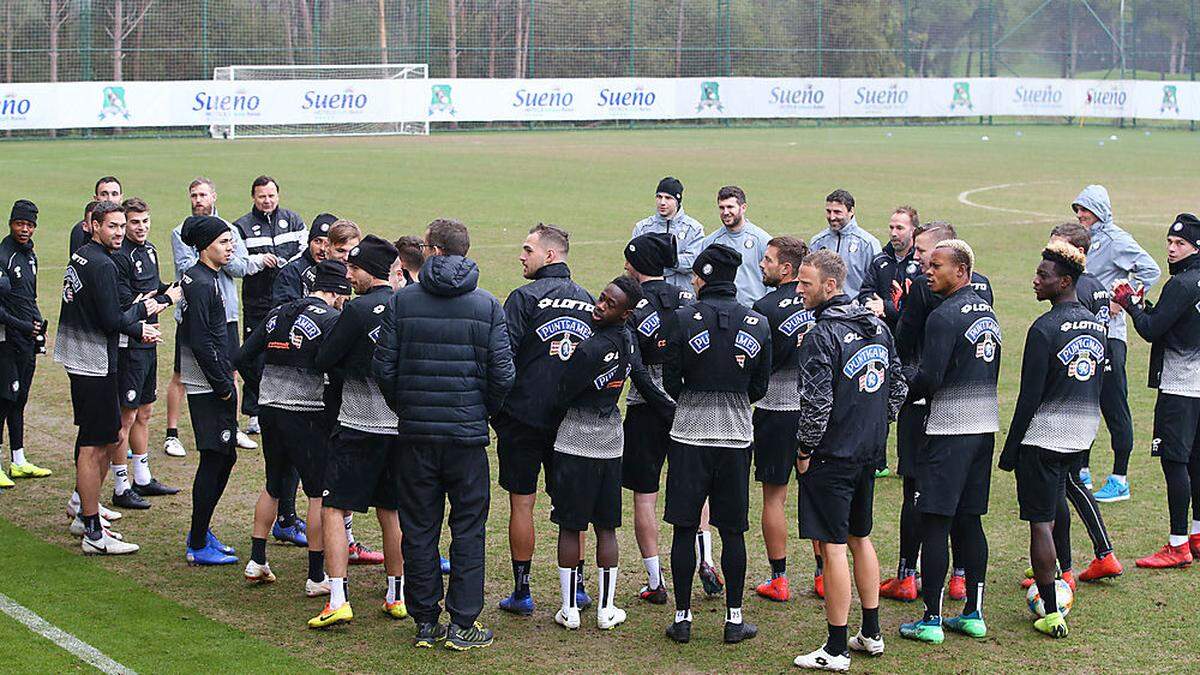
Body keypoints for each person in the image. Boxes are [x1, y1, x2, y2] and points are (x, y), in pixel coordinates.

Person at [373, 218, 515, 650]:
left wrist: (409, 408)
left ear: (432, 250)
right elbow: (503, 375)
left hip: (416, 436)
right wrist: (479, 411)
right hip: (466, 438)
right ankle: (463, 623)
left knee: (419, 528)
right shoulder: (488, 305)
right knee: (468, 529)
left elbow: (384, 369)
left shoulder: (402, 302)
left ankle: (425, 621)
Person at [792, 249, 906, 671]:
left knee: (835, 547)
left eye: (805, 283)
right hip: (867, 453)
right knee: (861, 538)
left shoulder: (822, 334)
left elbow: (817, 403)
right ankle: (871, 632)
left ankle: (836, 648)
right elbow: (896, 385)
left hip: (832, 456)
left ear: (830, 286)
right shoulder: (876, 324)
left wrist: (804, 449)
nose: (798, 289)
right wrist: (877, 426)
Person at [661, 244, 771, 645]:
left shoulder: (680, 319)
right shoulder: (757, 322)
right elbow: (760, 385)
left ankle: (683, 617)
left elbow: (671, 380)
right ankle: (733, 619)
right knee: (733, 530)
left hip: (689, 434)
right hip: (737, 436)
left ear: (705, 276)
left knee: (684, 526)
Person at [998, 241, 1105, 639]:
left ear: (1064, 282)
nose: (1035, 280)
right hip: (1080, 434)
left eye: (1043, 276)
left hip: (1043, 438)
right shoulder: (1096, 322)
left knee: (1039, 523)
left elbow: (1029, 397)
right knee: (1057, 502)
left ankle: (1050, 608)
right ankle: (1064, 573)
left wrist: (1011, 450)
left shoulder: (1043, 329)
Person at [881, 221, 993, 603]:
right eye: (919, 258)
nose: (921, 266)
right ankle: (962, 583)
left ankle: (911, 581)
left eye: (928, 259)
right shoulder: (985, 293)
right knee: (966, 510)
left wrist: (893, 395)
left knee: (924, 500)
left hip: (933, 411)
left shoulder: (934, 302)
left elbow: (907, 347)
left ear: (957, 265)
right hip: (978, 419)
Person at [899, 239, 1000, 645]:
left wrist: (901, 388)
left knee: (935, 520)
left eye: (936, 265)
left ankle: (932, 619)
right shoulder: (987, 312)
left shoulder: (943, 316)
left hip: (948, 429)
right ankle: (973, 614)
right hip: (983, 429)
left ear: (961, 272)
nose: (927, 270)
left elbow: (930, 376)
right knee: (970, 519)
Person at [494, 223, 596, 616]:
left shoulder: (522, 298)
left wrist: (500, 410)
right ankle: (579, 587)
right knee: (572, 507)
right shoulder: (589, 300)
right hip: (571, 422)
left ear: (549, 255)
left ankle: (522, 591)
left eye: (527, 249)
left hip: (523, 419)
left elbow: (502, 360)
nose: (521, 255)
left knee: (522, 504)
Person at [55, 201, 165, 555]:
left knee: (102, 437)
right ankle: (91, 531)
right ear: (94, 225)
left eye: (122, 226)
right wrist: (148, 310)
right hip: (94, 361)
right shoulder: (102, 264)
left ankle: (84, 514)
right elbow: (112, 319)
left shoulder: (83, 256)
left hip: (81, 357)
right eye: (113, 226)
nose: (119, 232)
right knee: (95, 444)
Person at [236, 260, 351, 594]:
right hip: (308, 414)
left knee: (274, 483)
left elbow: (242, 356)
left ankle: (257, 560)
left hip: (270, 410)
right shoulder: (331, 319)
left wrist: (264, 387)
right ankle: (317, 577)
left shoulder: (277, 313)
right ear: (334, 292)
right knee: (317, 493)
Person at [309, 235, 404, 630]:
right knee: (392, 510)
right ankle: (397, 596)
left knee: (333, 507)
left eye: (354, 268)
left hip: (357, 425)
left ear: (371, 272)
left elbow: (324, 358)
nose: (348, 274)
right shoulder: (408, 306)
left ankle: (337, 599)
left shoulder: (357, 310)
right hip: (399, 428)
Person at [549, 276, 643, 632]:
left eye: (608, 303)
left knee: (571, 527)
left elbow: (561, 394)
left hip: (576, 442)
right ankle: (606, 610)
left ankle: (569, 609)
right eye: (601, 298)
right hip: (610, 443)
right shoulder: (627, 342)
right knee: (607, 527)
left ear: (625, 313)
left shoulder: (588, 350)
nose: (598, 305)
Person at [1114, 213, 1200, 569]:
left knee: (1175, 461)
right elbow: (1169, 322)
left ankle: (1178, 544)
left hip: (1180, 386)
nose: (1171, 248)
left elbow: (1151, 329)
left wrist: (1131, 304)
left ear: (1195, 248)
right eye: (1169, 242)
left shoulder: (1181, 285)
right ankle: (1196, 534)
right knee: (1197, 461)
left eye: (1180, 244)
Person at [1041, 222, 1124, 584]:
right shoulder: (1098, 288)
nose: (1048, 255)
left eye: (1056, 248)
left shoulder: (1080, 290)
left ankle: (1077, 563)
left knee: (1067, 483)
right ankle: (1085, 558)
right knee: (1070, 481)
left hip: (1071, 401)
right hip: (1086, 395)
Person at [1072, 185, 1160, 502]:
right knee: (1083, 402)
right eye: (1078, 209)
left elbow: (1151, 269)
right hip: (1083, 335)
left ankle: (1119, 478)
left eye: (1086, 209)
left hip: (1110, 337)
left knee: (1114, 405)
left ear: (1100, 210)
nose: (1080, 214)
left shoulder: (1116, 240)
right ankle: (1080, 470)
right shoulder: (1085, 240)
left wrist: (1126, 299)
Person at [165, 178, 261, 459]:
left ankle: (232, 426)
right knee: (182, 375)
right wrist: (213, 255)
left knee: (231, 369)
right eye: (193, 195)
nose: (198, 199)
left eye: (203, 194)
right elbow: (185, 267)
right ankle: (172, 434)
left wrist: (221, 252)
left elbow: (241, 266)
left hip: (227, 312)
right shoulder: (179, 232)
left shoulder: (229, 229)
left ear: (214, 196)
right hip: (193, 311)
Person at [621, 233, 691, 604]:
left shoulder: (631, 301)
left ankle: (654, 581)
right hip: (685, 402)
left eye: (628, 262)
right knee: (696, 486)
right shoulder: (686, 297)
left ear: (637, 266)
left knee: (644, 496)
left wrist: (660, 401)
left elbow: (634, 364)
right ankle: (707, 561)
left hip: (647, 406)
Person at [750, 236, 814, 603]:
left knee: (774, 496)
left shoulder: (764, 308)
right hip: (815, 411)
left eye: (768, 260)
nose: (762, 265)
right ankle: (822, 576)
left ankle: (780, 578)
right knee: (816, 493)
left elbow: (761, 366)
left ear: (786, 268)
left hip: (776, 411)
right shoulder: (817, 302)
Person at [178, 215, 241, 566]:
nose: (229, 247)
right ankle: (198, 541)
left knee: (225, 455)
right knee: (215, 456)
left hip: (211, 380)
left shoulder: (206, 277)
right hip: (209, 384)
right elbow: (202, 341)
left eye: (230, 241)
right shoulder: (202, 283)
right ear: (204, 247)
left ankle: (200, 532)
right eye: (222, 242)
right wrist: (223, 386)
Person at [110, 197, 182, 510]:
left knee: (145, 412)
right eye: (134, 222)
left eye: (144, 221)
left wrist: (172, 287)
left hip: (150, 342)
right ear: (125, 224)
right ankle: (119, 484)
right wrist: (166, 298)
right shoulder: (120, 257)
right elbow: (129, 305)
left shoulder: (149, 250)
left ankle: (142, 477)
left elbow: (154, 289)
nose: (140, 228)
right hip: (130, 344)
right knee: (125, 417)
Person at [233, 175, 306, 439]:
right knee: (255, 354)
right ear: (253, 197)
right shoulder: (241, 226)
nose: (267, 201)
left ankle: (285, 403)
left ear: (278, 195)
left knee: (285, 351)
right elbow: (236, 261)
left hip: (288, 299)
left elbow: (305, 249)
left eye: (271, 195)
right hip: (257, 301)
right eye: (262, 196)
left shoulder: (294, 220)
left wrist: (289, 262)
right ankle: (254, 413)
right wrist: (260, 260)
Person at [0, 200, 51, 482]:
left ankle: (18, 460)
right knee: (4, 399)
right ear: (11, 223)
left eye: (29, 225)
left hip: (26, 339)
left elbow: (29, 297)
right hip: (6, 340)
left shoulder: (30, 256)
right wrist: (23, 326)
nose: (24, 229)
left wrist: (38, 328)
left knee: (19, 399)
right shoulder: (3, 255)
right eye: (20, 223)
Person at [699, 186, 771, 305]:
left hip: (753, 311)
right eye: (722, 208)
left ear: (743, 208)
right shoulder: (711, 242)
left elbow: (773, 278)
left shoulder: (762, 240)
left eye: (730, 207)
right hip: (720, 310)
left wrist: (765, 307)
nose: (725, 212)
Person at [633, 177, 705, 290]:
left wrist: (659, 261)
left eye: (668, 198)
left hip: (682, 294)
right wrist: (673, 261)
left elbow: (692, 262)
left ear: (677, 201)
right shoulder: (642, 227)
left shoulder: (694, 229)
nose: (662, 202)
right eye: (659, 197)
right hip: (649, 294)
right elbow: (635, 262)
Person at [808, 189, 881, 298]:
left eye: (837, 212)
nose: (832, 217)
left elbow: (877, 283)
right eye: (828, 211)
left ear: (851, 211)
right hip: (823, 310)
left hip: (855, 311)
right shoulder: (817, 242)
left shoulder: (868, 244)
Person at [859, 206, 919, 331]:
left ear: (913, 231)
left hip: (911, 334)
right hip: (881, 330)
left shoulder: (921, 262)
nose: (893, 233)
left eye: (899, 228)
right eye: (891, 227)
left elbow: (916, 306)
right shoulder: (879, 260)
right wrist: (873, 306)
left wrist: (886, 307)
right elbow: (866, 292)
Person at [270, 213, 338, 307]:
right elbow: (284, 311)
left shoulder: (339, 272)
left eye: (328, 243)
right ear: (309, 242)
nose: (322, 248)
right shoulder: (291, 272)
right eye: (317, 241)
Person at [70, 177, 122, 255]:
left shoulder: (132, 225)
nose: (109, 199)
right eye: (104, 194)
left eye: (114, 194)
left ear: (121, 198)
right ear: (96, 199)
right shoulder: (82, 229)